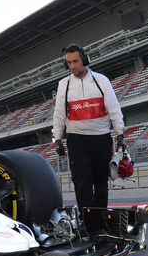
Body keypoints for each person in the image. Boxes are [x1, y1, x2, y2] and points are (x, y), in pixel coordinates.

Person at [52, 45, 125, 210]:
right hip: (76, 139)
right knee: (81, 181)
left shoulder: (101, 81)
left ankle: (101, 217)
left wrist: (120, 134)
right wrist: (57, 138)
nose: (72, 66)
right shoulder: (64, 84)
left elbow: (114, 108)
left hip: (101, 137)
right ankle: (87, 220)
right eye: (69, 63)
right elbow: (59, 114)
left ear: (84, 59)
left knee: (100, 180)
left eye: (76, 61)